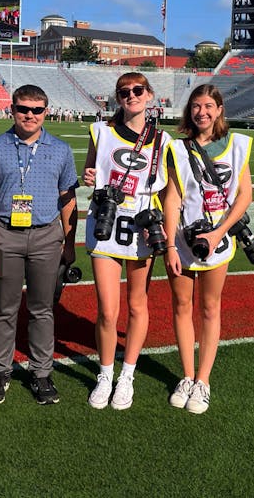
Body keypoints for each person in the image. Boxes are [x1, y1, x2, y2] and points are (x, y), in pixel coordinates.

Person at [0, 85, 78, 405]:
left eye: (37, 110)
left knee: (43, 308)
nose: (30, 115)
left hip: (47, 235)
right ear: (12, 109)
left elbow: (68, 200)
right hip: (6, 234)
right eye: (23, 109)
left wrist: (69, 243)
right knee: (5, 306)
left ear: (46, 112)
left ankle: (41, 372)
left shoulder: (60, 149)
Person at [162, 83, 253, 415]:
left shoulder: (238, 145)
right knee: (182, 306)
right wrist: (170, 244)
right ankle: (186, 375)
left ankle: (203, 381)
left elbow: (245, 195)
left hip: (218, 240)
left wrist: (219, 233)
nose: (202, 112)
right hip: (184, 241)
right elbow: (171, 198)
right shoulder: (177, 148)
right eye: (196, 106)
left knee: (210, 309)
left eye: (208, 106)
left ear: (219, 110)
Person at [82, 73, 171, 410]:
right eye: (124, 92)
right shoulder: (101, 133)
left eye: (137, 91)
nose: (131, 96)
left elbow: (166, 192)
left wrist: (160, 227)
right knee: (107, 310)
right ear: (118, 98)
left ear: (149, 95)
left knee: (137, 305)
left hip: (141, 228)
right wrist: (88, 176)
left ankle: (127, 374)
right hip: (106, 224)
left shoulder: (164, 142)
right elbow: (90, 173)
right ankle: (105, 374)